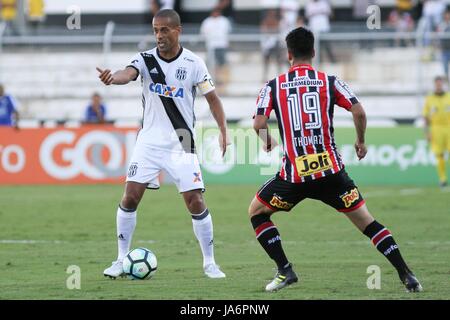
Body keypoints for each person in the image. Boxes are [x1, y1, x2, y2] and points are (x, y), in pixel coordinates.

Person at [249, 27, 423, 293]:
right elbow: (359, 112)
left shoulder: (273, 86)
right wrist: (360, 140)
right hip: (331, 173)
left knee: (257, 213)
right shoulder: (330, 82)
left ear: (289, 55)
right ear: (314, 52)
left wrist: (267, 140)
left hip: (294, 176)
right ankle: (406, 274)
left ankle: (285, 270)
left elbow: (259, 122)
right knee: (368, 223)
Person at [97, 9, 229, 279]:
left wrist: (223, 130)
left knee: (195, 201)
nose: (159, 35)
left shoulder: (194, 63)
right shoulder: (145, 59)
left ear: (177, 31)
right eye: (156, 30)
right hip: (148, 141)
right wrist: (113, 78)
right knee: (130, 196)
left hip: (182, 139)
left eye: (164, 30)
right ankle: (121, 259)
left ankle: (210, 263)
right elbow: (127, 73)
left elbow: (212, 99)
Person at [423, 76, 450, 187]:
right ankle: (442, 179)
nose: (439, 85)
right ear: (435, 85)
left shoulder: (448, 97)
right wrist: (427, 132)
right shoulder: (430, 99)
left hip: (448, 128)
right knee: (439, 155)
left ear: (443, 84)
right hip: (436, 129)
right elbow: (425, 117)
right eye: (437, 84)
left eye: (440, 83)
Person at [200, 8, 232, 93]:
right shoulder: (207, 21)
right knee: (210, 64)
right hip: (211, 46)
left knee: (222, 64)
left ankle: (220, 80)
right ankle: (212, 80)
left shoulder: (224, 21)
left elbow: (227, 32)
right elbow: (203, 33)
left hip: (221, 45)